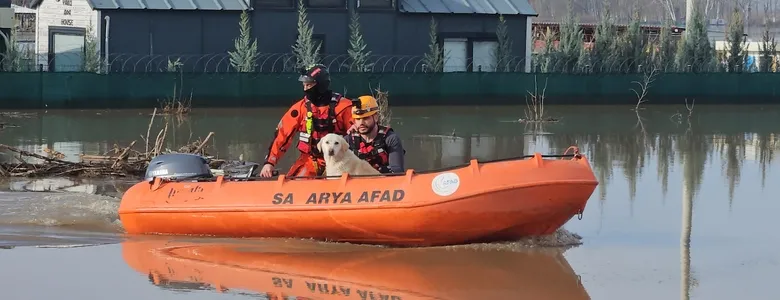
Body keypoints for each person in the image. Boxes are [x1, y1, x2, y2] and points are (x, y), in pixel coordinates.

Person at [259, 64, 354, 178]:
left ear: (320, 85)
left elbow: (358, 136)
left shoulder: (344, 107)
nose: (305, 89)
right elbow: (282, 136)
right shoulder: (300, 109)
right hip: (312, 160)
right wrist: (270, 162)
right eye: (304, 85)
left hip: (340, 159)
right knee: (293, 186)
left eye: (309, 85)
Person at [345, 95, 405, 174]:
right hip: (356, 183)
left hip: (384, 183)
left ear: (376, 117)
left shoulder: (390, 138)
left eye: (366, 118)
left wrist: (373, 170)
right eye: (358, 119)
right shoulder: (348, 140)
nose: (361, 123)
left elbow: (397, 169)